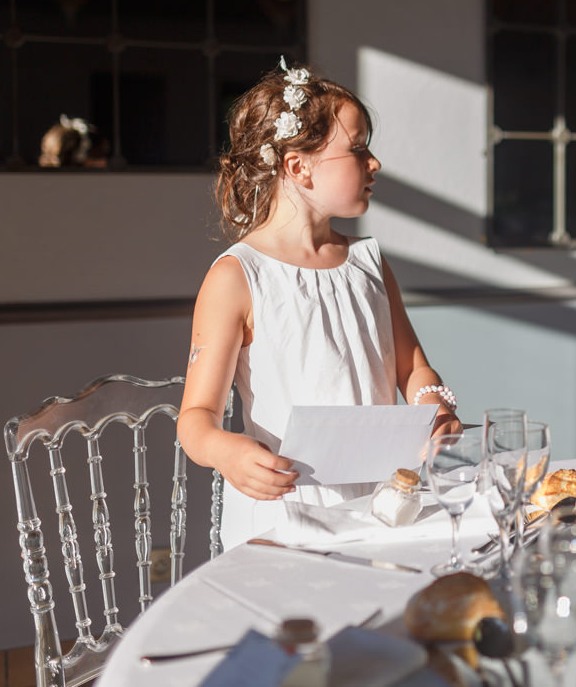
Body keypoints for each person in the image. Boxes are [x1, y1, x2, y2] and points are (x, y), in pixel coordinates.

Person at [178, 59, 462, 548]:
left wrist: (433, 405)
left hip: (381, 503)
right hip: (286, 510)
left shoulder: (368, 262)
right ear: (297, 166)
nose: (374, 163)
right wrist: (228, 453)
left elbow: (415, 370)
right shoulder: (238, 276)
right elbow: (196, 418)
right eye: (357, 150)